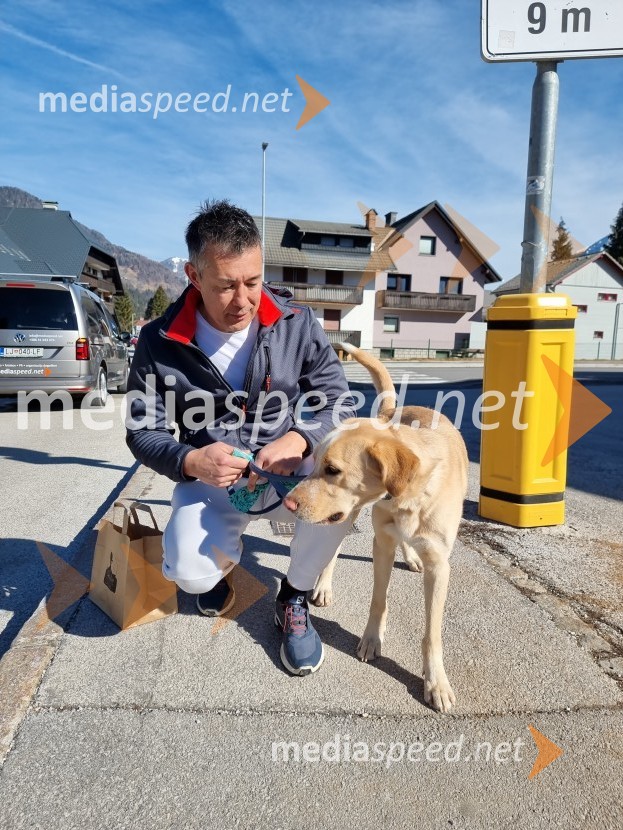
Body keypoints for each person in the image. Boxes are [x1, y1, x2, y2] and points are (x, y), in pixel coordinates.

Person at [126, 199, 356, 676]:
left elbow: (340, 401)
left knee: (342, 493)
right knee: (189, 575)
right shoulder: (158, 340)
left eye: (253, 281)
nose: (244, 300)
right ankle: (217, 569)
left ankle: (293, 595)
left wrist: (300, 440)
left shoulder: (296, 323)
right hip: (211, 481)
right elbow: (142, 430)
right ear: (194, 275)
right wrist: (191, 461)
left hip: (286, 476)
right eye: (226, 285)